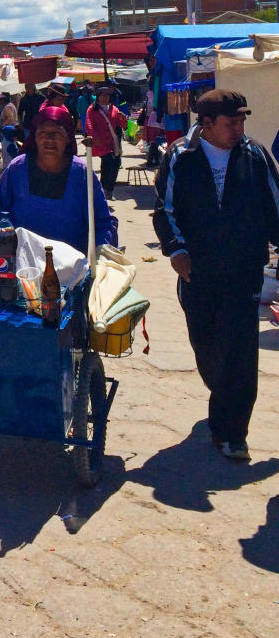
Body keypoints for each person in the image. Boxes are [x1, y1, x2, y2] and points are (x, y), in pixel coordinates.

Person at [153, 89, 279, 461]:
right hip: (198, 271)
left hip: (244, 270)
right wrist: (176, 249)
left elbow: (275, 207)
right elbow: (166, 208)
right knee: (207, 344)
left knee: (239, 349)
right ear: (206, 125)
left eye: (242, 121)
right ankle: (221, 390)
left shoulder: (255, 155)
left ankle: (231, 432)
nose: (239, 128)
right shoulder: (180, 156)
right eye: (231, 122)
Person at [0, 105, 117, 253]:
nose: (49, 139)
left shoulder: (81, 173)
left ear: (68, 137)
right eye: (43, 132)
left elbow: (102, 222)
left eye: (57, 133)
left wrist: (102, 252)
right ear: (34, 136)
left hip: (71, 264)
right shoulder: (17, 169)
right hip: (23, 262)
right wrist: (4, 249)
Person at [85, 85, 126, 200]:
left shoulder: (114, 109)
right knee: (108, 162)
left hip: (113, 143)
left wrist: (123, 118)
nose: (104, 98)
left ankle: (109, 189)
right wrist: (94, 137)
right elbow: (89, 125)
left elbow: (123, 126)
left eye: (107, 95)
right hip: (100, 143)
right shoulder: (92, 109)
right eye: (102, 95)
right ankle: (103, 189)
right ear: (98, 97)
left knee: (116, 163)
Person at [0, 97, 20, 167]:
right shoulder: (11, 145)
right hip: (11, 167)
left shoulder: (5, 141)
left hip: (6, 166)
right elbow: (16, 156)